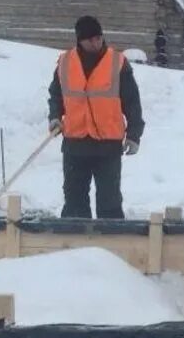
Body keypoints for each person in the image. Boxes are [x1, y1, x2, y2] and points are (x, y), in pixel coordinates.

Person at [47, 15, 143, 219]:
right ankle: (74, 246)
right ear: (80, 40)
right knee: (74, 201)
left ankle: (110, 244)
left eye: (98, 37)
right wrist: (55, 117)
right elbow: (56, 95)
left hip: (107, 144)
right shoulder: (65, 63)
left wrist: (134, 134)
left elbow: (132, 102)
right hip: (75, 143)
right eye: (90, 39)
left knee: (110, 202)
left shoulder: (117, 62)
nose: (96, 42)